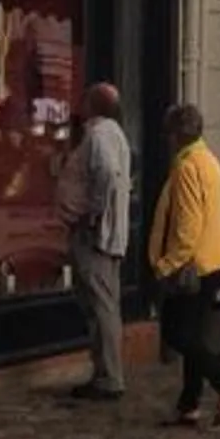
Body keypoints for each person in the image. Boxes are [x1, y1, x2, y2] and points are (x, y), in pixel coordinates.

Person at [145, 103, 220, 429]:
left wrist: (166, 265)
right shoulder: (209, 161)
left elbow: (187, 228)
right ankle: (189, 404)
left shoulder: (187, 167)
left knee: (177, 331)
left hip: (194, 265)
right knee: (194, 334)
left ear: (176, 135)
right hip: (215, 259)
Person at [57, 83, 132, 403]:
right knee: (103, 305)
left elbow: (107, 175)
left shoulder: (101, 135)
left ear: (93, 105)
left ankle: (108, 377)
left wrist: (92, 215)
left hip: (97, 236)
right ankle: (105, 372)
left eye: (85, 100)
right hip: (105, 233)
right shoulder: (111, 134)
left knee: (101, 306)